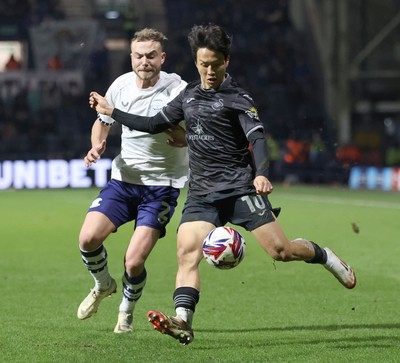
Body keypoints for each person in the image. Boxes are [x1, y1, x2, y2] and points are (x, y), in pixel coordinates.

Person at [89, 23, 356, 345]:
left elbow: (257, 137)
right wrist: (112, 112)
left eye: (215, 64)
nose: (209, 71)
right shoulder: (187, 96)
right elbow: (150, 124)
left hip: (240, 188)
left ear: (226, 62)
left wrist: (262, 173)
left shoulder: (237, 98)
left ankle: (322, 254)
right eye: (204, 64)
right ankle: (183, 321)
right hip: (201, 194)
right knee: (187, 253)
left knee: (280, 251)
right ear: (196, 62)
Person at [77, 28, 188, 334]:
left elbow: (184, 136)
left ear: (162, 57)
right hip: (124, 180)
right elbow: (102, 121)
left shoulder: (177, 89)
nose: (144, 62)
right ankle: (103, 285)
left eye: (151, 55)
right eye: (138, 56)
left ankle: (126, 312)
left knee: (134, 262)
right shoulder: (121, 85)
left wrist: (171, 130)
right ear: (131, 57)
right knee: (87, 239)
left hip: (161, 186)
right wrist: (97, 145)